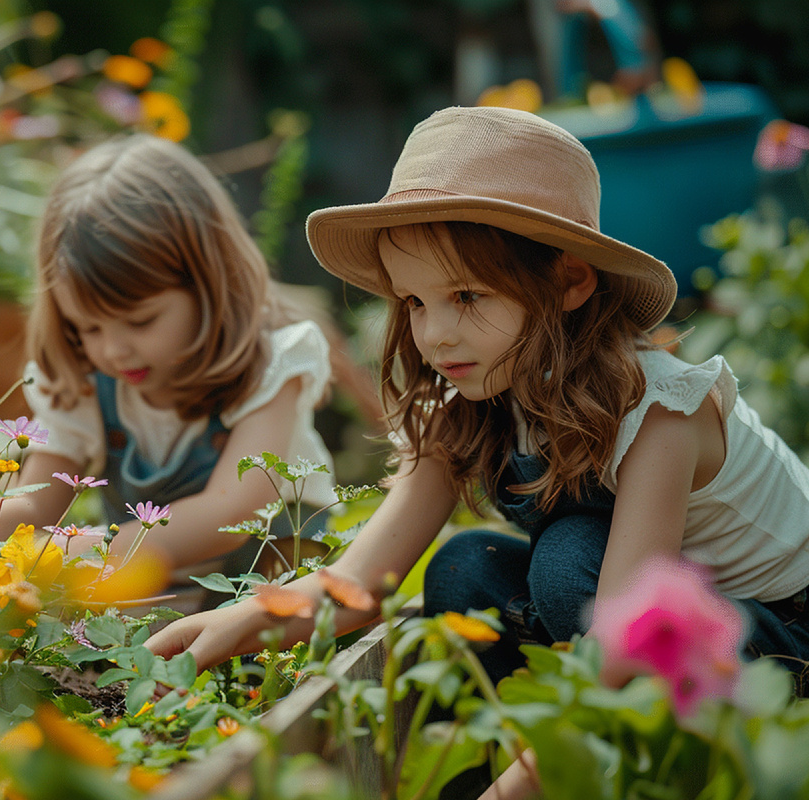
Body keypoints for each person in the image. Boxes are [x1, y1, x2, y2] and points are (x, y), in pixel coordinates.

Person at [146, 106, 809, 700]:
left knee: (566, 557)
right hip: (648, 615)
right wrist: (238, 620)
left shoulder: (660, 411)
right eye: (414, 301)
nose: (433, 334)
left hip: (774, 638)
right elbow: (359, 584)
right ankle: (527, 738)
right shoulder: (468, 399)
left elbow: (627, 640)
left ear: (569, 279)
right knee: (466, 570)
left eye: (466, 295)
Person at [0, 134, 336, 582]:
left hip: (263, 587)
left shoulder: (271, 366)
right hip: (152, 589)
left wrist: (79, 548)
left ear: (207, 284)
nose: (114, 351)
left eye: (140, 321)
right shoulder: (85, 379)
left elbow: (228, 518)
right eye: (89, 328)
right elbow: (37, 503)